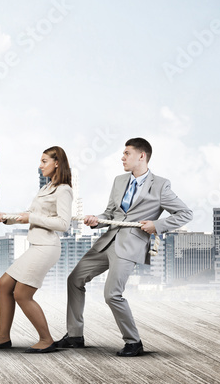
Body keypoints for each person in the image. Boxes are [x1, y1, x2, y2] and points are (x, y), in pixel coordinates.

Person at [56, 137, 191, 357]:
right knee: (75, 279)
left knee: (112, 294)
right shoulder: (119, 181)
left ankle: (133, 342)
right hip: (107, 241)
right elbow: (110, 214)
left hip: (130, 245)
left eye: (126, 153)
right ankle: (74, 336)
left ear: (142, 156)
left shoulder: (160, 185)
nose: (122, 157)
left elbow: (186, 213)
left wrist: (157, 225)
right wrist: (96, 220)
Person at [0, 146, 74, 353]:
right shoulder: (46, 188)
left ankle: (46, 339)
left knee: (22, 294)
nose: (40, 165)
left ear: (56, 163)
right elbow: (29, 214)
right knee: (4, 285)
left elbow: (63, 224)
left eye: (44, 161)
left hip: (47, 247)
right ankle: (3, 337)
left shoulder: (63, 190)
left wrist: (31, 217)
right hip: (36, 245)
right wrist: (7, 218)